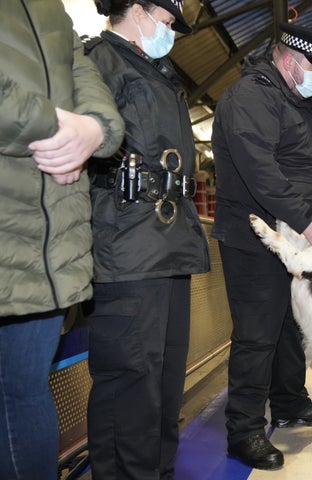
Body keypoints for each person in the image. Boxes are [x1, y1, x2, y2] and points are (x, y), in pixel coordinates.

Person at [83, 1, 211, 478]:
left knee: (163, 378)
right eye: (166, 20)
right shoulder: (99, 62)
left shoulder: (156, 68)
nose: (170, 31)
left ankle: (157, 471)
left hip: (168, 241)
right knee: (131, 379)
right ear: (136, 11)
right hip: (128, 243)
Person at [211, 23, 312, 470]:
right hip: (256, 237)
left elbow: (306, 168)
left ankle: (288, 401)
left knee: (288, 326)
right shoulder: (252, 96)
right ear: (288, 60)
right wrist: (307, 220)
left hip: (290, 239)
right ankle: (244, 430)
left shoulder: (298, 102)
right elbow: (258, 168)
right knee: (256, 334)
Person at [0, 1, 124, 478]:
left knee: (24, 391)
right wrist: (57, 130)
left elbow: (80, 71)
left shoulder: (51, 9)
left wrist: (95, 127)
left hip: (45, 238)